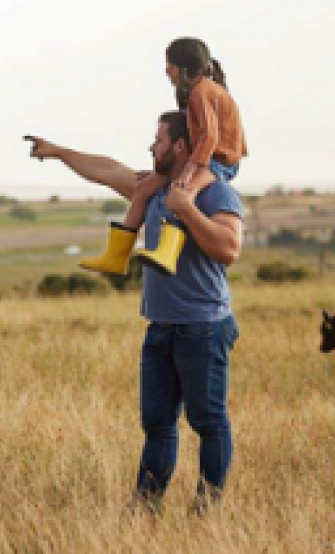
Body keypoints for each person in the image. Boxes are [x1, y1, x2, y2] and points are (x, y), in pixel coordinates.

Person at [25, 111, 243, 513]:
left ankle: (207, 509)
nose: (151, 147)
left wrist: (188, 210)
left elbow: (229, 249)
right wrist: (58, 152)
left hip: (203, 327)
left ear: (179, 146)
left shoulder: (214, 192)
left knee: (208, 422)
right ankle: (145, 507)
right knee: (157, 425)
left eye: (158, 141)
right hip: (160, 328)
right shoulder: (153, 188)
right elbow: (106, 169)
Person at [78, 38, 248, 276]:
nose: (166, 70)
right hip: (204, 159)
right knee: (144, 188)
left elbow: (209, 138)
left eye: (169, 64)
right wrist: (166, 171)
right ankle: (116, 256)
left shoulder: (201, 92)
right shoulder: (196, 92)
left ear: (182, 67)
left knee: (181, 195)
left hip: (218, 162)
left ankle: (168, 252)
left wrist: (187, 172)